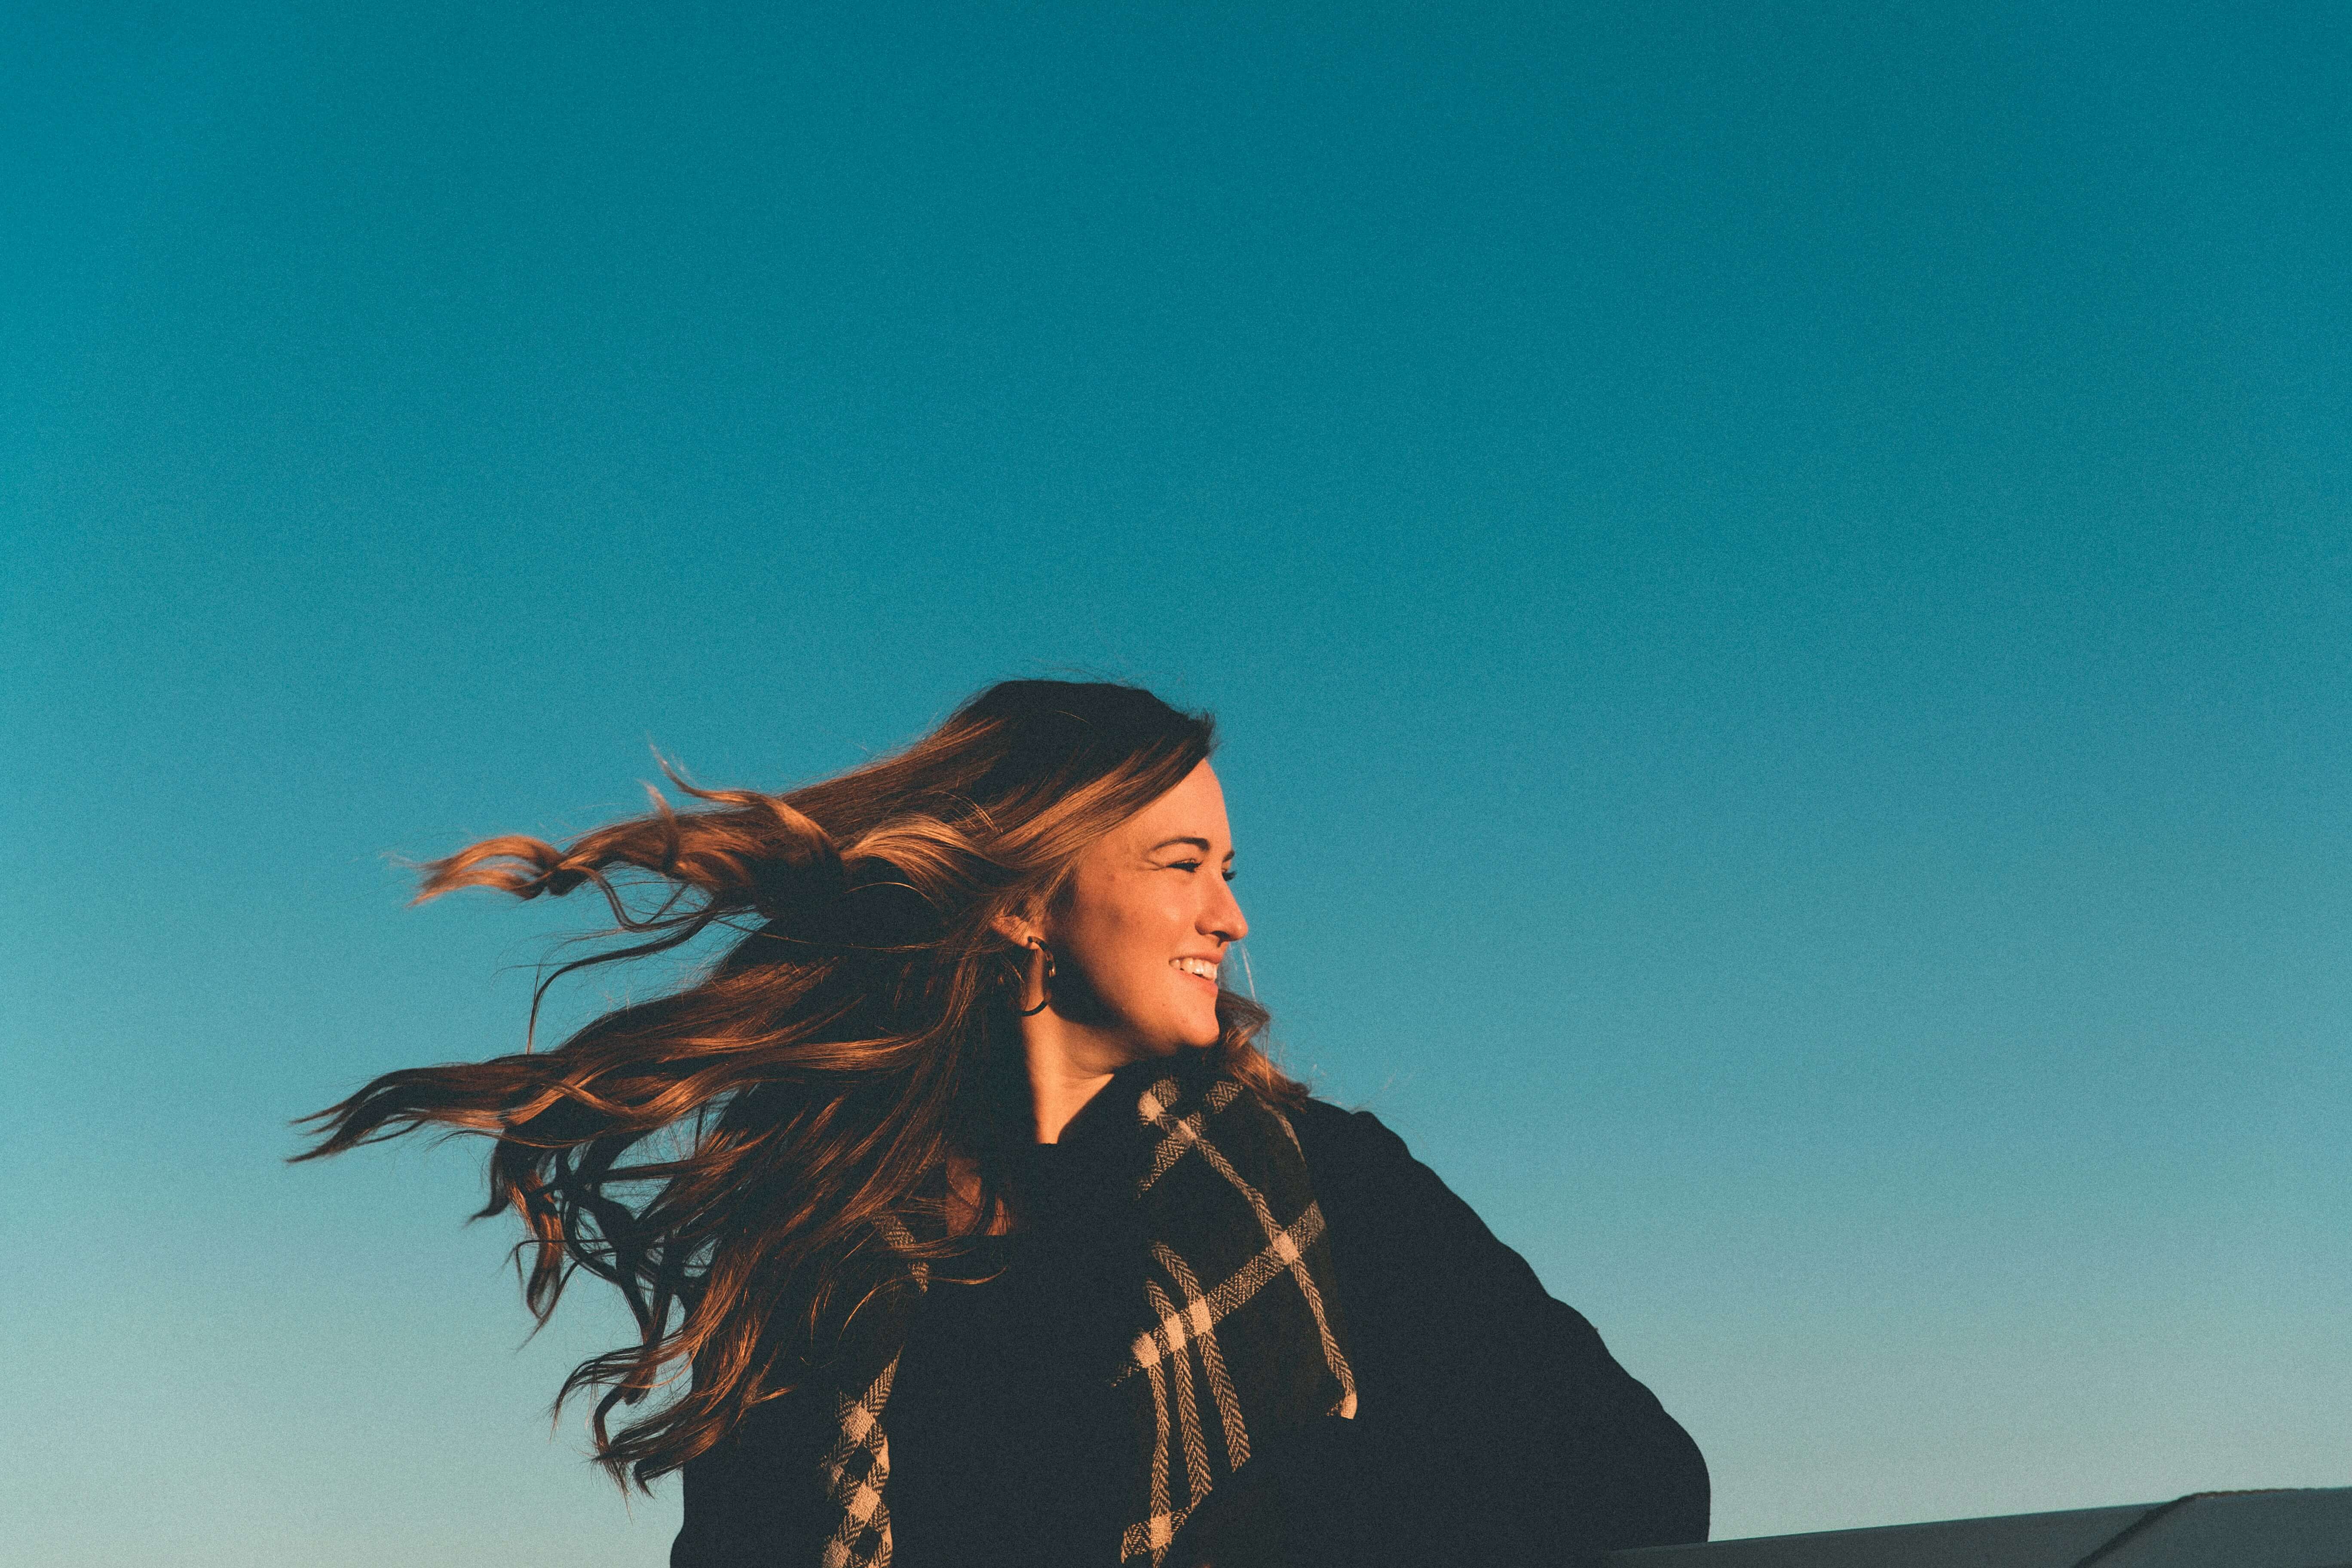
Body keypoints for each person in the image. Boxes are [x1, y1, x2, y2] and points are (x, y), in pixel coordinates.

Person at [300, 680, 1708, 1568]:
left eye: (1229, 867)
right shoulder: (827, 1241)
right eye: (1182, 863)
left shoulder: (1324, 1188)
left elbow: (1640, 1484)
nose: (1233, 914)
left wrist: (1290, 1519)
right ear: (1024, 900)